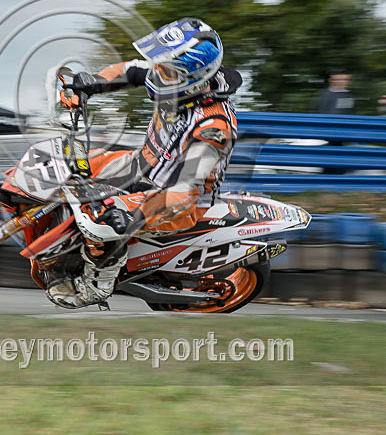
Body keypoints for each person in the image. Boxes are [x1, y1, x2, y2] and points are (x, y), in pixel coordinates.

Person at [46, 18, 242, 308]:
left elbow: (184, 188)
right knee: (61, 161)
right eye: (160, 67)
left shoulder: (215, 128)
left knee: (103, 212)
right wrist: (85, 84)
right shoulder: (179, 77)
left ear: (195, 77)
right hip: (140, 166)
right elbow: (130, 71)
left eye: (167, 72)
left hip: (177, 199)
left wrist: (133, 215)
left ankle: (97, 284)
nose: (158, 75)